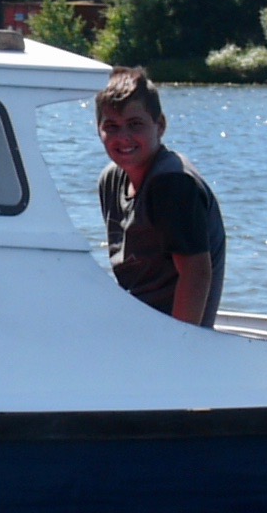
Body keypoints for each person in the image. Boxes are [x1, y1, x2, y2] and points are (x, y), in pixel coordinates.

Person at [96, 67, 225, 327]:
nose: (123, 137)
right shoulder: (111, 179)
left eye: (135, 124)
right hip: (136, 324)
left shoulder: (173, 183)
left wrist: (177, 342)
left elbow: (196, 274)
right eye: (112, 127)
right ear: (99, 130)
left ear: (160, 126)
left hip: (171, 334)